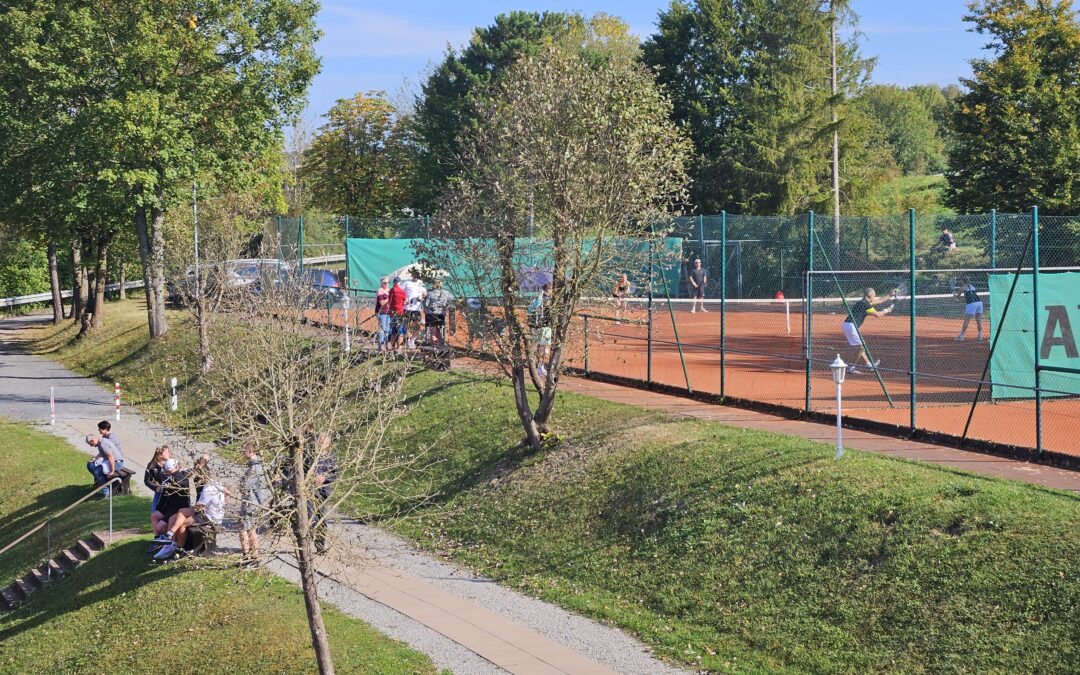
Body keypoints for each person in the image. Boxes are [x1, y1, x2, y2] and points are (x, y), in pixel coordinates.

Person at [154, 460, 225, 562]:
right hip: (210, 512)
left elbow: (198, 508)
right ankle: (170, 541)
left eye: (197, 479)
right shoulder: (216, 483)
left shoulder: (208, 489)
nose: (196, 481)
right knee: (177, 515)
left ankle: (178, 550)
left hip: (210, 517)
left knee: (182, 523)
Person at [841, 287, 895, 374]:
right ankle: (851, 368)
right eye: (874, 295)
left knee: (860, 347)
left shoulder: (863, 301)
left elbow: (880, 301)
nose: (875, 297)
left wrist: (889, 294)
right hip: (851, 326)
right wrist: (887, 310)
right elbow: (877, 315)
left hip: (848, 325)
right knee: (861, 348)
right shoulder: (865, 304)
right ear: (870, 295)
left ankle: (870, 366)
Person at [239, 442, 270, 567]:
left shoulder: (254, 467)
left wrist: (241, 484)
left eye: (244, 450)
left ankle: (249, 558)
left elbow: (246, 486)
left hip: (250, 503)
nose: (242, 452)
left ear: (250, 451)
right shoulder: (259, 465)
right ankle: (253, 558)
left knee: (244, 530)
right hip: (256, 503)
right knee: (252, 530)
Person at [528, 284, 552, 379]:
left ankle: (539, 366)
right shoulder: (546, 299)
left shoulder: (537, 299)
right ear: (548, 290)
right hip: (543, 327)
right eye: (551, 289)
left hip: (537, 326)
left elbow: (530, 309)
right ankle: (540, 367)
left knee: (540, 346)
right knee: (543, 346)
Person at [144, 446, 176, 514]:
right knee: (155, 511)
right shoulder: (152, 466)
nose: (169, 453)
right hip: (160, 493)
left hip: (172, 491)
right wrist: (155, 487)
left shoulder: (172, 463)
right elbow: (147, 480)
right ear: (160, 454)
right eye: (167, 452)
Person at [424, 279, 454, 346]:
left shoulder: (430, 293)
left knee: (433, 331)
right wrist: (445, 307)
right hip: (441, 314)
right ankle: (440, 346)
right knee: (439, 330)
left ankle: (435, 349)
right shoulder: (446, 293)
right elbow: (451, 302)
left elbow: (426, 304)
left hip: (432, 314)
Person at [402, 276, 425, 348]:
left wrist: (423, 296)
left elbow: (425, 293)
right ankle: (408, 340)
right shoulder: (406, 283)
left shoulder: (421, 283)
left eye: (417, 275)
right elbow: (399, 291)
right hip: (408, 308)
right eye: (414, 275)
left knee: (418, 326)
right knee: (407, 325)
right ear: (411, 276)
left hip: (417, 309)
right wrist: (404, 300)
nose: (415, 277)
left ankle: (412, 340)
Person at [387, 277, 407, 352]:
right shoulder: (401, 291)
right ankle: (399, 348)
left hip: (392, 313)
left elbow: (389, 301)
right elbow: (405, 300)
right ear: (399, 282)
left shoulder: (391, 290)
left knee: (393, 330)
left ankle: (392, 347)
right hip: (399, 313)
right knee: (401, 331)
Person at [374, 277, 392, 351]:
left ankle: (385, 344)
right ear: (381, 283)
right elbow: (381, 302)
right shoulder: (380, 291)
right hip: (381, 312)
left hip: (388, 312)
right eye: (385, 283)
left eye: (387, 282)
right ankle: (381, 345)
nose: (386, 284)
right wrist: (389, 298)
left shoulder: (388, 290)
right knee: (382, 329)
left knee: (387, 330)